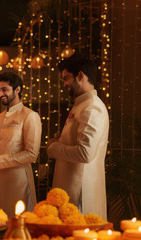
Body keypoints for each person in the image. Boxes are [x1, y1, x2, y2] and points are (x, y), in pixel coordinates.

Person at [46, 53, 109, 220]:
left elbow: (85, 153)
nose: (65, 84)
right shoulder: (81, 104)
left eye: (66, 78)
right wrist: (61, 140)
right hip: (71, 188)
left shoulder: (92, 107)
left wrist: (54, 148)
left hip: (80, 192)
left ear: (80, 76)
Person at [0, 72, 42, 217]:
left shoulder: (30, 116)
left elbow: (31, 155)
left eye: (4, 89)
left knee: (18, 225)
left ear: (17, 89)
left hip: (18, 181)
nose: (0, 94)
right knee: (0, 223)